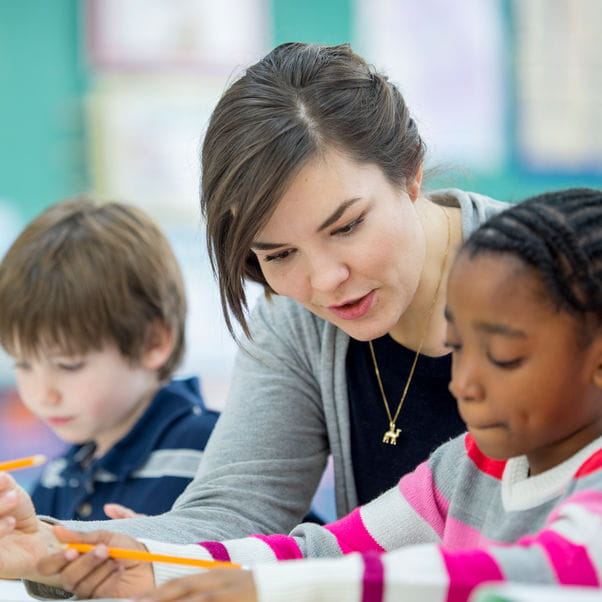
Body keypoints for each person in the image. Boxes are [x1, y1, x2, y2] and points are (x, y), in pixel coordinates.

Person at [0, 42, 507, 589]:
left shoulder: (556, 279)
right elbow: (238, 513)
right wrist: (52, 550)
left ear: (410, 171)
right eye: (278, 255)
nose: (323, 281)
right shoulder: (294, 318)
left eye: (347, 227)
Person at [35, 187, 602, 602]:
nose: (462, 382)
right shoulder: (464, 466)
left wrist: (274, 588)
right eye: (457, 348)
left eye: (501, 356)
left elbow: (534, 574)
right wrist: (151, 565)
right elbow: (328, 550)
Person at [0, 198, 219, 521]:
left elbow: (295, 556)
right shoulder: (60, 474)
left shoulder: (215, 453)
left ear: (153, 342)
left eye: (69, 365)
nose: (43, 395)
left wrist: (165, 553)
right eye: (23, 364)